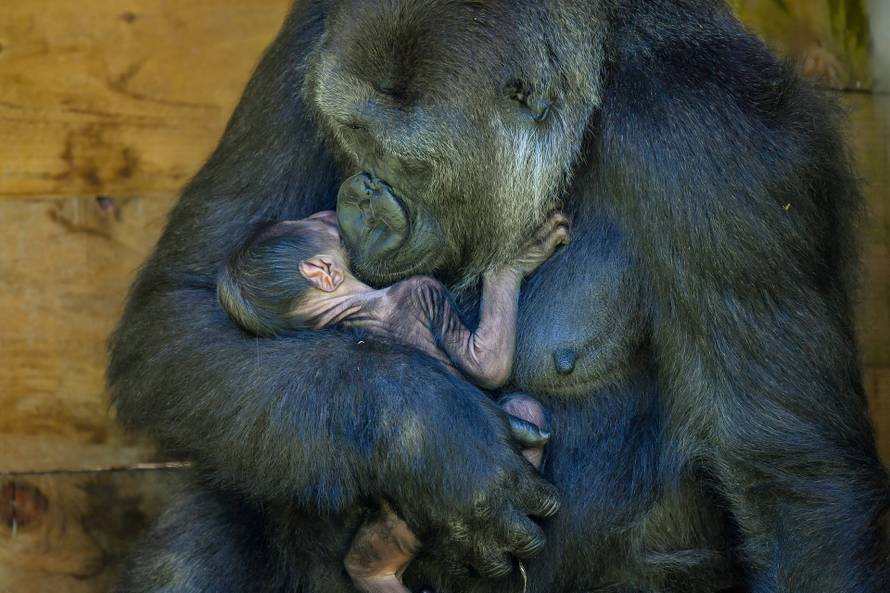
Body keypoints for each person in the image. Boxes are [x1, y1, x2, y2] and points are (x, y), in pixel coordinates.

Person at [216, 210, 568, 593]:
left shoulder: (322, 357)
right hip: (476, 480)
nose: (328, 215)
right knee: (525, 415)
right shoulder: (413, 296)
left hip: (394, 508)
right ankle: (508, 526)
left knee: (369, 568)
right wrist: (505, 272)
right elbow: (489, 367)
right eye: (322, 223)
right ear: (322, 271)